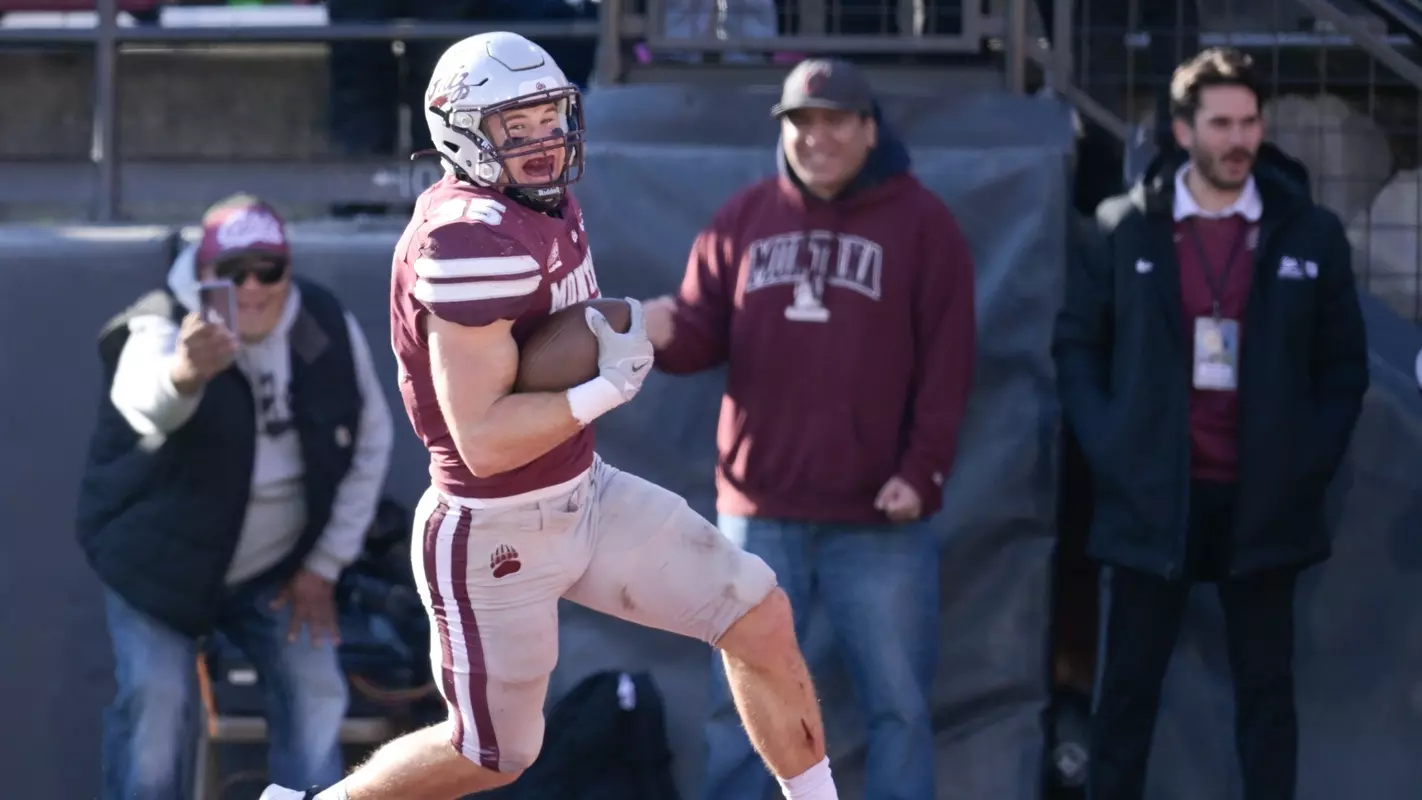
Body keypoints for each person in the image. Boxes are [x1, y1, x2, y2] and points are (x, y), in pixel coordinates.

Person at [261, 31, 838, 800]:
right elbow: (485, 442)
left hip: (580, 493)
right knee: (491, 754)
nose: (542, 142)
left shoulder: (540, 200)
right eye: (516, 126)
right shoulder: (468, 240)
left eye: (549, 118)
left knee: (757, 613)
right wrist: (605, 388)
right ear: (462, 131)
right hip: (493, 524)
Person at [642, 58, 977, 800]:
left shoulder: (923, 225)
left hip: (879, 520)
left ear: (868, 129)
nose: (816, 138)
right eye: (801, 123)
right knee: (741, 708)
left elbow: (950, 363)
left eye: (834, 122)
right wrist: (650, 331)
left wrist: (923, 471)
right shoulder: (743, 218)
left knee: (897, 709)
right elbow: (699, 335)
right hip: (759, 513)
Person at [1053, 48, 1369, 800]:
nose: (1238, 139)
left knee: (1266, 699)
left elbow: (1344, 370)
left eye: (1249, 121)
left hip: (1263, 503)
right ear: (1183, 130)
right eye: (1220, 123)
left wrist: (1304, 465)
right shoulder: (1123, 228)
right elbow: (1076, 345)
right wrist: (1112, 447)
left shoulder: (1310, 234)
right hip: (1152, 496)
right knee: (1125, 693)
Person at [75, 194, 395, 799]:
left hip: (276, 572)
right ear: (204, 274)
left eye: (267, 270)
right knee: (156, 707)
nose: (251, 287)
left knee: (315, 686)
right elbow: (146, 404)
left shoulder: (322, 325)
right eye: (232, 272)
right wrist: (184, 375)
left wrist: (323, 566)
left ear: (287, 271)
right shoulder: (163, 324)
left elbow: (371, 442)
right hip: (160, 570)